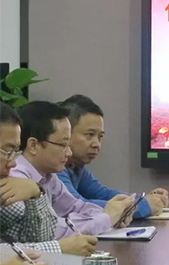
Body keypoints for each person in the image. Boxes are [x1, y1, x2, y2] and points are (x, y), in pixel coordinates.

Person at [9, 101, 134, 238]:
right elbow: (54, 230)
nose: (69, 153)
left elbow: (76, 207)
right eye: (63, 145)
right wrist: (106, 218)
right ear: (33, 145)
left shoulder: (48, 175)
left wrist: (113, 214)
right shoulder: (15, 176)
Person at [1, 103, 97, 256]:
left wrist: (36, 193)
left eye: (15, 151)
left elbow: (38, 237)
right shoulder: (17, 174)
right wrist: (59, 248)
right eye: (7, 151)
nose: (13, 163)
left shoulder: (6, 189)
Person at [57, 95, 168, 218]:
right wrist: (143, 206)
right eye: (89, 135)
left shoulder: (75, 166)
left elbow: (103, 194)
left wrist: (143, 199)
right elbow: (77, 207)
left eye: (100, 136)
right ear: (66, 133)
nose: (97, 144)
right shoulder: (54, 167)